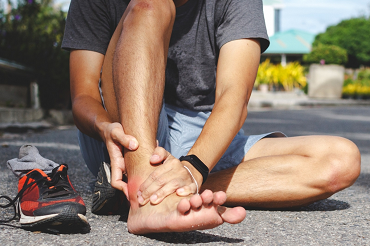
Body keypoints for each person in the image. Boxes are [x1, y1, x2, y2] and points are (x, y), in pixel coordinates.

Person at [61, 0, 361, 234]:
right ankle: (142, 193)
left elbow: (234, 95)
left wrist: (193, 169)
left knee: (340, 160)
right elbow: (83, 96)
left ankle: (168, 192)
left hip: (203, 135)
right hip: (125, 130)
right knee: (150, 4)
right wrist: (104, 127)